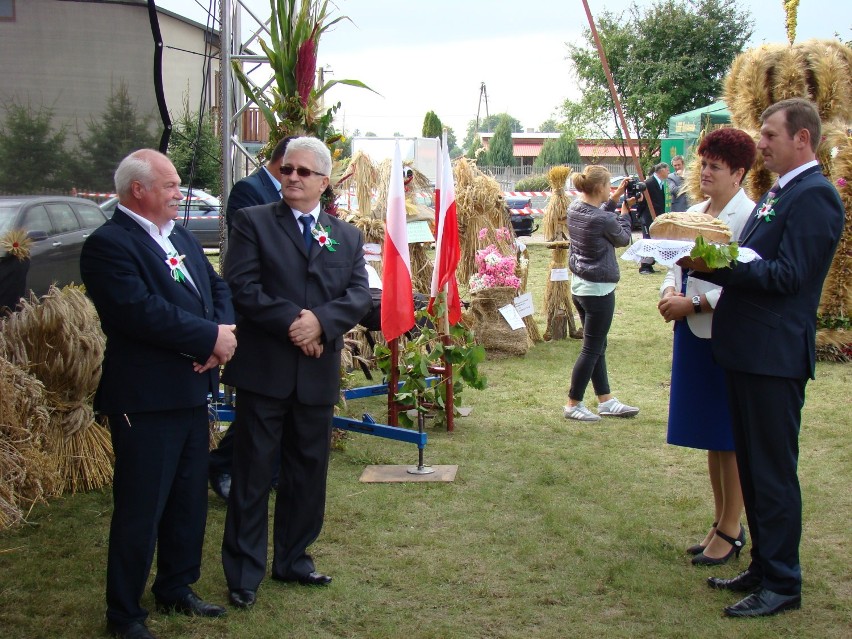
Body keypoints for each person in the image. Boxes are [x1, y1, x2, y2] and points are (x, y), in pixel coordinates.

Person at [679, 98, 844, 618]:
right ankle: (763, 568)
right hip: (748, 352)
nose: (762, 142)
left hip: (773, 356)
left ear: (802, 139)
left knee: (773, 473)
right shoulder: (782, 191)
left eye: (770, 134)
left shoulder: (815, 197)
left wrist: (715, 265)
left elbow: (789, 277)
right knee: (752, 467)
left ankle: (784, 584)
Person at [80, 149, 237, 639]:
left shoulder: (180, 235)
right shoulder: (109, 245)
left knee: (188, 500)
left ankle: (176, 585)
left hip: (191, 391)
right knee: (141, 508)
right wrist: (207, 338)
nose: (179, 193)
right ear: (138, 191)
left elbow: (216, 285)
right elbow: (138, 311)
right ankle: (124, 613)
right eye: (169, 185)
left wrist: (223, 332)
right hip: (145, 401)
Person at [220, 136, 371, 609]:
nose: (292, 178)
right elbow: (242, 286)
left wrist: (322, 323)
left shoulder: (344, 236)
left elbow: (359, 294)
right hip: (265, 372)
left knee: (308, 473)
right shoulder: (253, 222)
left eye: (304, 172)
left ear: (324, 182)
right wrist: (295, 322)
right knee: (252, 475)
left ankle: (293, 559)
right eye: (287, 170)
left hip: (315, 374)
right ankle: (244, 573)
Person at [657, 128, 756, 567]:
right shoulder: (695, 211)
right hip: (691, 333)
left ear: (738, 173)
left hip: (724, 334)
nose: (706, 171)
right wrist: (667, 292)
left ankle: (733, 529)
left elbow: (745, 284)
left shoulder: (747, 217)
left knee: (728, 437)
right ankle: (719, 521)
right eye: (703, 163)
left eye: (715, 166)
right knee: (711, 440)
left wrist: (693, 302)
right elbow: (669, 260)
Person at [209, 135, 294, 501]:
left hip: (293, 311)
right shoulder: (248, 191)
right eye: (296, 168)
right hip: (261, 311)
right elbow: (260, 248)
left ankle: (270, 471)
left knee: (286, 404)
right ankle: (223, 465)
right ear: (283, 162)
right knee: (259, 405)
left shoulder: (299, 196)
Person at [563, 165, 640, 422]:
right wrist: (625, 212)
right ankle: (573, 403)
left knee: (598, 346)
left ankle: (605, 399)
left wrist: (615, 199)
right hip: (598, 290)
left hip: (581, 286)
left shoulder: (575, 207)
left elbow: (596, 216)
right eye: (609, 186)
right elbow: (623, 238)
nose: (611, 189)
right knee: (592, 348)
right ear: (598, 188)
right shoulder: (604, 218)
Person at [224, 136, 292, 235]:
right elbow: (246, 239)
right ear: (284, 163)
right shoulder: (246, 190)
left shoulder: (293, 192)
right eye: (303, 170)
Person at [636, 162, 670, 273]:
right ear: (661, 170)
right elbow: (641, 200)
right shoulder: (649, 183)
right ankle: (644, 266)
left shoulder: (660, 183)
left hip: (656, 217)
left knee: (654, 240)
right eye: (667, 169)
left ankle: (650, 264)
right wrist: (640, 214)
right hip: (648, 216)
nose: (669, 172)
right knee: (648, 240)